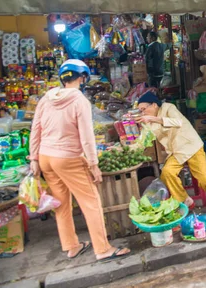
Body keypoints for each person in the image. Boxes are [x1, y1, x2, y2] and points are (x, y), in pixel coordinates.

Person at [29, 60, 130, 262]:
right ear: (82, 77)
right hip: (68, 158)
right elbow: (86, 136)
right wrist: (94, 165)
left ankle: (72, 246)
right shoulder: (79, 101)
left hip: (46, 158)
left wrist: (34, 158)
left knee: (62, 204)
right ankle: (103, 249)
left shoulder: (46, 99)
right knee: (91, 202)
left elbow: (35, 130)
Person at [134, 91, 206, 211]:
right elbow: (141, 142)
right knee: (167, 173)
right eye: (140, 111)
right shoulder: (148, 123)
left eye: (144, 109)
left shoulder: (168, 108)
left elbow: (178, 122)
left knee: (203, 177)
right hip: (176, 151)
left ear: (154, 105)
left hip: (191, 146)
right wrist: (119, 149)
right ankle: (186, 199)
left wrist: (154, 118)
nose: (143, 113)